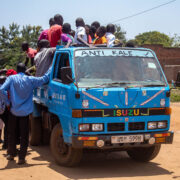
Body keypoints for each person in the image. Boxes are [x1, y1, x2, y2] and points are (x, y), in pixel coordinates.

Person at [0, 63, 51, 164]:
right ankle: (22, 158)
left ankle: (11, 153)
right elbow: (44, 79)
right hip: (25, 113)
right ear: (25, 70)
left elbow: (2, 89)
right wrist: (51, 66)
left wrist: (8, 103)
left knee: (12, 133)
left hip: (13, 111)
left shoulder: (11, 78)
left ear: (17, 70)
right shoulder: (30, 80)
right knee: (24, 135)